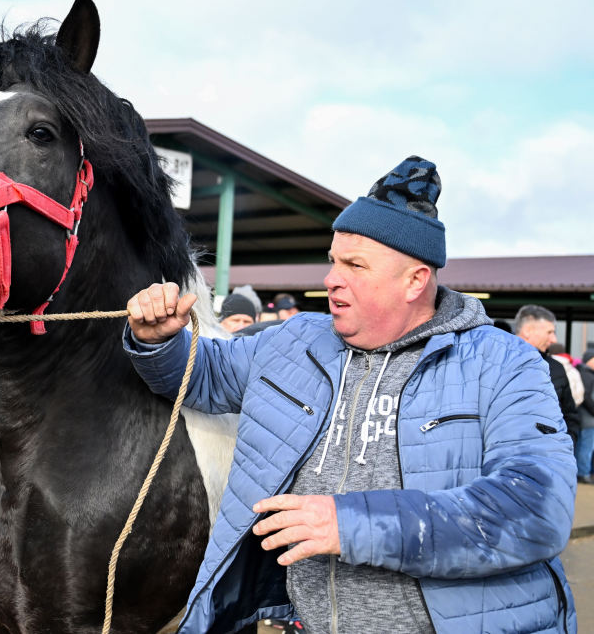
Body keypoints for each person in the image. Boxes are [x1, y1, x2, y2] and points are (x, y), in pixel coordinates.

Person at [124, 156, 577, 633]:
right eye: (333, 262)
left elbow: (537, 509)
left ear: (415, 281)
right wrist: (159, 341)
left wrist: (352, 524)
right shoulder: (293, 341)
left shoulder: (503, 362)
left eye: (355, 265)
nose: (331, 279)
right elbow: (204, 378)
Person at [514, 305, 580, 446]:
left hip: (549, 458)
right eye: (549, 332)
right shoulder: (498, 364)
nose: (554, 339)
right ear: (528, 331)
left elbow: (570, 415)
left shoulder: (556, 368)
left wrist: (567, 444)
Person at [574, 349, 594, 484]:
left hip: (585, 417)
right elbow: (586, 396)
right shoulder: (587, 374)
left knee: (583, 445)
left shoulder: (584, 373)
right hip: (588, 418)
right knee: (586, 447)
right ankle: (583, 473)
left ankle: (583, 472)